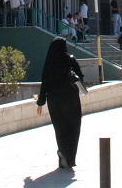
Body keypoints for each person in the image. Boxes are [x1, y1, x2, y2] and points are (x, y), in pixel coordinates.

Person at [36, 37, 84, 169]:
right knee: (73, 127)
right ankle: (70, 158)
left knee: (59, 127)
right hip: (70, 99)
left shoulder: (49, 62)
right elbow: (80, 78)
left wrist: (40, 103)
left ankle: (62, 151)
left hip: (54, 100)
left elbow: (44, 83)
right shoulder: (70, 60)